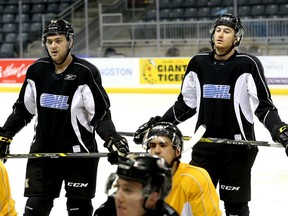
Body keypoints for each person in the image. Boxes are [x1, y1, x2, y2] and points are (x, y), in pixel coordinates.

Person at [133, 14, 288, 216]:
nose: (221, 35)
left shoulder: (247, 64)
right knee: (194, 200)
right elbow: (185, 105)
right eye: (218, 30)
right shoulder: (198, 63)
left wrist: (280, 130)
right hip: (205, 146)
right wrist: (158, 126)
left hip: (238, 149)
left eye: (227, 31)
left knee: (235, 207)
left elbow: (264, 107)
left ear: (237, 38)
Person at [0, 19, 129, 216]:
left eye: (58, 40)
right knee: (35, 209)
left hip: (79, 155)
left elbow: (100, 115)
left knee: (78, 210)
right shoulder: (36, 71)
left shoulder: (85, 72)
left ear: (70, 41)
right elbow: (23, 110)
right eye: (49, 41)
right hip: (42, 153)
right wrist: (5, 134)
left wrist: (111, 138)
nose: (53, 45)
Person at [144, 121, 221, 216]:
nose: (157, 151)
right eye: (153, 146)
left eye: (163, 145)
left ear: (177, 151)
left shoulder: (195, 179)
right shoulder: (142, 178)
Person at [94, 154, 179, 216]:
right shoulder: (105, 212)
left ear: (153, 198)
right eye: (117, 187)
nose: (118, 197)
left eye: (127, 190)